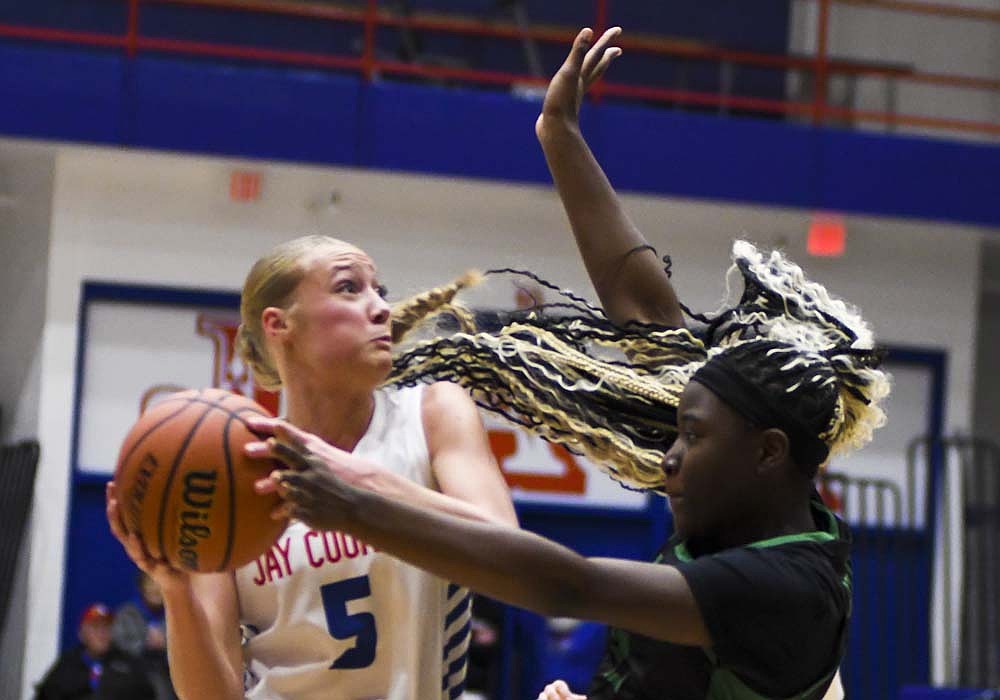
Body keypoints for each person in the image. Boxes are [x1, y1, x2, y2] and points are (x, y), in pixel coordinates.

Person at [243, 27, 890, 700]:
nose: (668, 454)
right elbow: (649, 318)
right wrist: (561, 135)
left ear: (766, 452)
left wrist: (354, 497)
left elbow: (567, 586)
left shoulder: (784, 587)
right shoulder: (758, 492)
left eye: (691, 437)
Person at [106, 236, 518, 700]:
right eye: (349, 288)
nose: (381, 307)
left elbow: (510, 553)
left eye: (379, 290)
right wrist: (176, 589)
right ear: (279, 325)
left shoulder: (431, 413)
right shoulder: (235, 474)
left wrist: (360, 479)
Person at [34, 603, 156, 700]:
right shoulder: (67, 665)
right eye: (95, 627)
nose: (101, 633)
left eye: (106, 627)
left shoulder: (128, 665)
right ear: (82, 633)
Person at [112, 570, 176, 700]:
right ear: (142, 587)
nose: (154, 588)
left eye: (159, 584)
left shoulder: (176, 616)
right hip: (134, 674)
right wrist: (144, 643)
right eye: (150, 583)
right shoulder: (128, 613)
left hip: (168, 674)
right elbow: (118, 643)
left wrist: (167, 646)